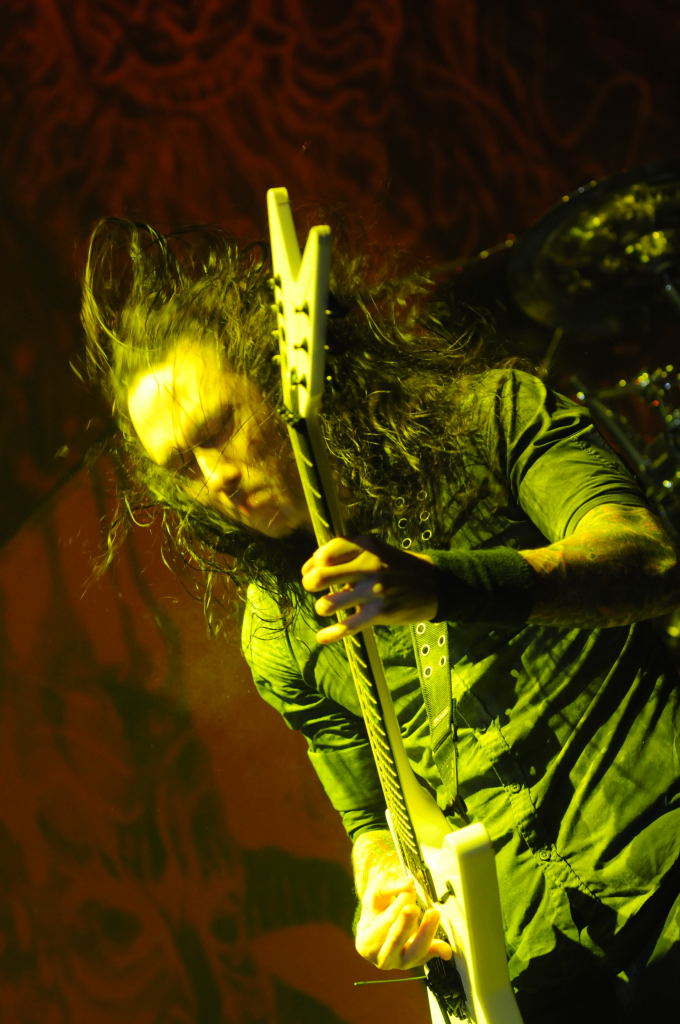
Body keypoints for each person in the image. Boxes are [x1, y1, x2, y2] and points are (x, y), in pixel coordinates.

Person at [81, 216, 680, 1023]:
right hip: (539, 966)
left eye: (218, 430)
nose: (215, 477)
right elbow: (370, 815)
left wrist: (443, 585)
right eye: (182, 467)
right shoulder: (278, 631)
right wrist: (383, 886)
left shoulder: (493, 418)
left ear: (282, 372)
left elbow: (648, 561)